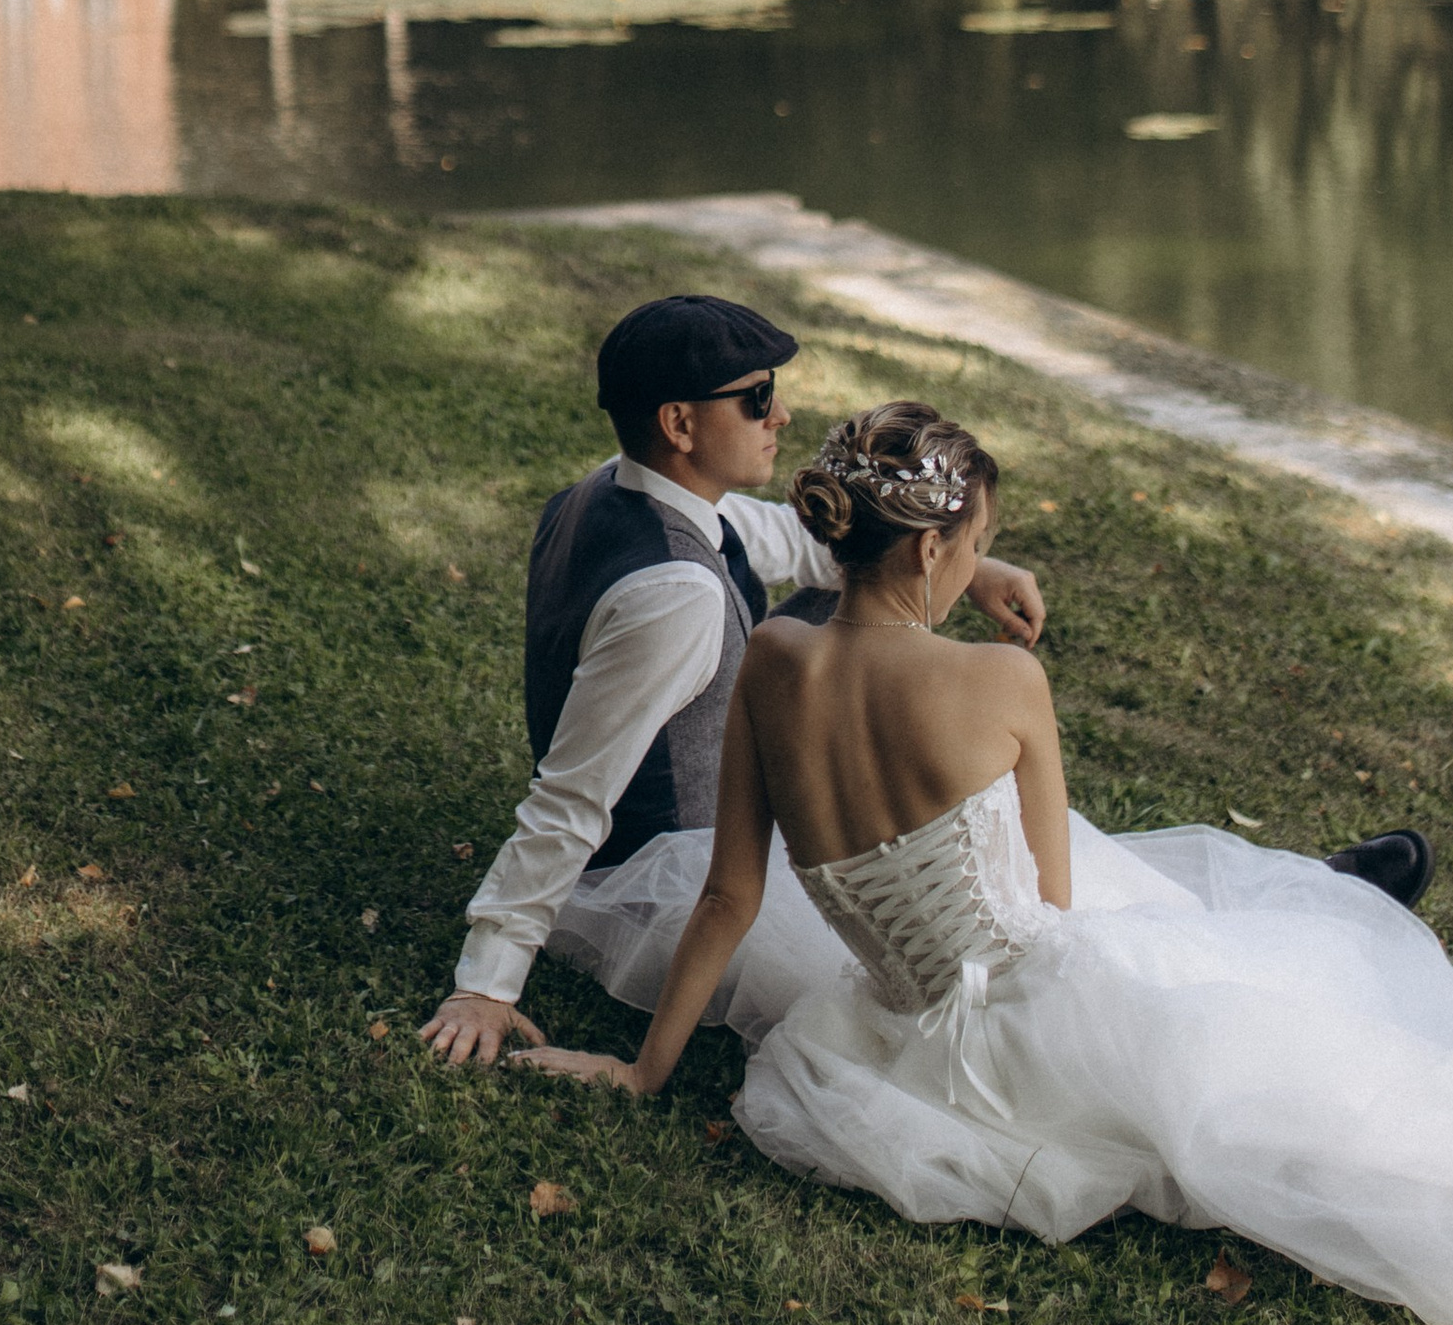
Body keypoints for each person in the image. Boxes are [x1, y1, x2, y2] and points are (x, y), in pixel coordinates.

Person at [513, 399, 1453, 1325]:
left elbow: (733, 895)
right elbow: (1050, 898)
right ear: (932, 543)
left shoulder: (773, 660)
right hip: (1041, 1009)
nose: (981, 559)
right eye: (977, 541)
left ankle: (1315, 896)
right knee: (1310, 1026)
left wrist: (643, 1072)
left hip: (893, 1033)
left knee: (1227, 919)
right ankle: (1327, 904)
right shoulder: (998, 687)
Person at [419, 292, 1054, 1071]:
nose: (780, 415)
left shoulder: (609, 491)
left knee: (851, 601)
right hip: (669, 868)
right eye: (757, 400)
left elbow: (800, 543)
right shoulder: (676, 598)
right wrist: (488, 982)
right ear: (680, 425)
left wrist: (961, 560)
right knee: (864, 627)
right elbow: (570, 795)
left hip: (689, 810)